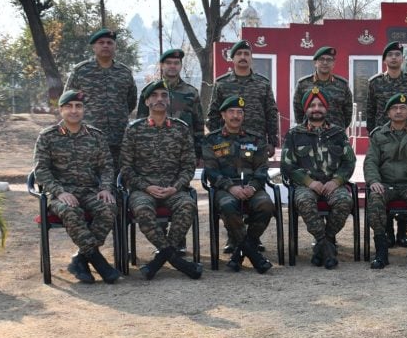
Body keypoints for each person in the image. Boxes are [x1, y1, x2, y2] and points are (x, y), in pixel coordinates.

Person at [33, 90, 120, 284]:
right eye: (69, 106)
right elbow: (41, 171)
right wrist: (59, 192)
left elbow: (106, 166)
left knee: (109, 208)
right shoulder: (48, 137)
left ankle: (80, 259)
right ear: (61, 110)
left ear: (83, 110)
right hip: (61, 194)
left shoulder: (95, 136)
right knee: (71, 211)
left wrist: (105, 188)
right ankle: (98, 261)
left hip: (90, 191)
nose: (74, 110)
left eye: (78, 106)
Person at [120, 81, 201, 280]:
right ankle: (176, 260)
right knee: (142, 210)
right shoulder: (134, 130)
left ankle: (160, 259)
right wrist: (146, 187)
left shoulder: (181, 129)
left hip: (174, 189)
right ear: (147, 101)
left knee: (188, 206)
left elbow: (188, 166)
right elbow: (126, 168)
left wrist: (175, 188)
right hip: (144, 190)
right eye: (154, 95)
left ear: (169, 100)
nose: (159, 99)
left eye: (164, 95)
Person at [280, 87, 357, 269]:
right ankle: (326, 245)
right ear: (306, 110)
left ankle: (323, 245)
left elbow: (349, 162)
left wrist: (336, 181)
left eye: (320, 105)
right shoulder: (294, 134)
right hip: (305, 185)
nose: (316, 108)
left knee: (345, 201)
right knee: (305, 201)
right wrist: (309, 182)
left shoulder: (338, 133)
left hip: (333, 184)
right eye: (312, 105)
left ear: (326, 108)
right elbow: (287, 165)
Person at [201, 95, 275, 274]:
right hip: (225, 189)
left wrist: (252, 187)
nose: (235, 116)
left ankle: (239, 253)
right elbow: (211, 171)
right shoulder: (211, 140)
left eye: (239, 112)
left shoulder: (256, 139)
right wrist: (230, 187)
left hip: (252, 187)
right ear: (223, 115)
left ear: (243, 116)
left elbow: (262, 169)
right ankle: (253, 254)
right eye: (231, 112)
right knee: (227, 206)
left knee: (266, 205)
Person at [363, 93, 407, 269]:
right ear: (388, 113)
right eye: (394, 108)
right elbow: (370, 161)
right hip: (385, 184)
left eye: (403, 108)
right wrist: (373, 181)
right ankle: (381, 251)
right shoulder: (379, 135)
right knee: (374, 199)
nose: (398, 111)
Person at [366, 41, 407, 247]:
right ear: (384, 60)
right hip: (383, 139)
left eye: (397, 55)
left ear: (402, 59)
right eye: (389, 55)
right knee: (385, 181)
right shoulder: (374, 83)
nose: (393, 58)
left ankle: (402, 232)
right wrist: (374, 135)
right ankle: (388, 232)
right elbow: (370, 111)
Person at [64, 28, 137, 167]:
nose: (105, 45)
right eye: (101, 42)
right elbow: (67, 101)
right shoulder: (81, 71)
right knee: (89, 176)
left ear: (115, 46)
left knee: (117, 175)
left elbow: (131, 101)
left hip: (119, 136)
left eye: (109, 42)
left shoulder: (124, 72)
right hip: (88, 136)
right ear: (94, 47)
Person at [207, 40, 279, 156]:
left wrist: (272, 142)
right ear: (233, 58)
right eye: (239, 54)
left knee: (257, 173)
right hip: (227, 143)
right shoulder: (222, 84)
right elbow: (213, 114)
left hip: (256, 142)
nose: (243, 57)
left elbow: (271, 113)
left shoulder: (263, 83)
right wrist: (216, 139)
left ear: (251, 58)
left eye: (246, 54)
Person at [137, 48, 205, 161]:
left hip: (184, 150)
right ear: (162, 65)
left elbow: (198, 125)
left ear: (181, 66)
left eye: (176, 63)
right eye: (168, 63)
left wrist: (198, 153)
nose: (172, 66)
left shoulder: (191, 92)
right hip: (154, 150)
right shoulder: (148, 91)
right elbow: (141, 121)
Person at [292, 46, 354, 129]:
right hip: (310, 133)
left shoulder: (343, 85)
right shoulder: (303, 84)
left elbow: (348, 113)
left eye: (329, 60)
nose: (325, 63)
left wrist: (338, 127)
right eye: (321, 59)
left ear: (333, 63)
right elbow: (298, 112)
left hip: (335, 134)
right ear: (315, 62)